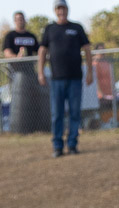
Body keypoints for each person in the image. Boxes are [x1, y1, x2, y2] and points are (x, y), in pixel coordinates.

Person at [36, 0, 93, 157]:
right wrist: (40, 72)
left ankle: (72, 144)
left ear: (67, 10)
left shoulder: (77, 28)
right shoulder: (50, 29)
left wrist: (90, 71)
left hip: (75, 79)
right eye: (58, 9)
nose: (61, 11)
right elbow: (42, 51)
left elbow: (87, 49)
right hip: (57, 80)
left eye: (64, 8)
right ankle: (58, 146)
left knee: (75, 113)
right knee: (57, 114)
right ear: (55, 11)